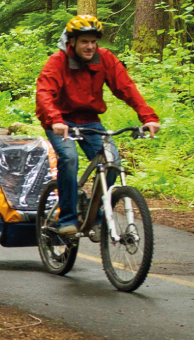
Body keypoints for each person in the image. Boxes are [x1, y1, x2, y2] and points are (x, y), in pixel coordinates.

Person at [35, 15, 161, 236]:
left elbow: (126, 88)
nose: (90, 46)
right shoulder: (58, 61)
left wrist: (148, 117)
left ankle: (97, 214)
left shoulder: (105, 59)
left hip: (90, 120)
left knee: (112, 161)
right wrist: (56, 120)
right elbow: (45, 93)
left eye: (93, 41)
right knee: (69, 158)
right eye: (84, 41)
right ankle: (67, 219)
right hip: (60, 121)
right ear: (72, 42)